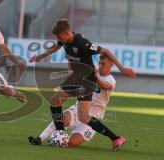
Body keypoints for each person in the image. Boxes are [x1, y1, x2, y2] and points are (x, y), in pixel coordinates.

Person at [29, 18, 136, 151]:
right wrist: (40, 56)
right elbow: (56, 46)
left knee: (84, 117)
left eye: (61, 37)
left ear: (67, 33)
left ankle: (116, 138)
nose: (60, 40)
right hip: (75, 78)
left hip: (86, 81)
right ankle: (61, 133)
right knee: (54, 101)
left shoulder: (82, 43)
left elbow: (106, 51)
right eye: (58, 38)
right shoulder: (64, 40)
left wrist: (121, 68)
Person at [29, 55, 122, 150]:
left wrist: (95, 77)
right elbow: (74, 73)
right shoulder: (91, 73)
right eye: (100, 63)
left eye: (103, 64)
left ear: (111, 64)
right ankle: (40, 138)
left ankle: (57, 140)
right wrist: (70, 61)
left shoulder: (110, 79)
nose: (100, 65)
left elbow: (105, 86)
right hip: (78, 110)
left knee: (71, 143)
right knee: (63, 118)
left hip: (94, 116)